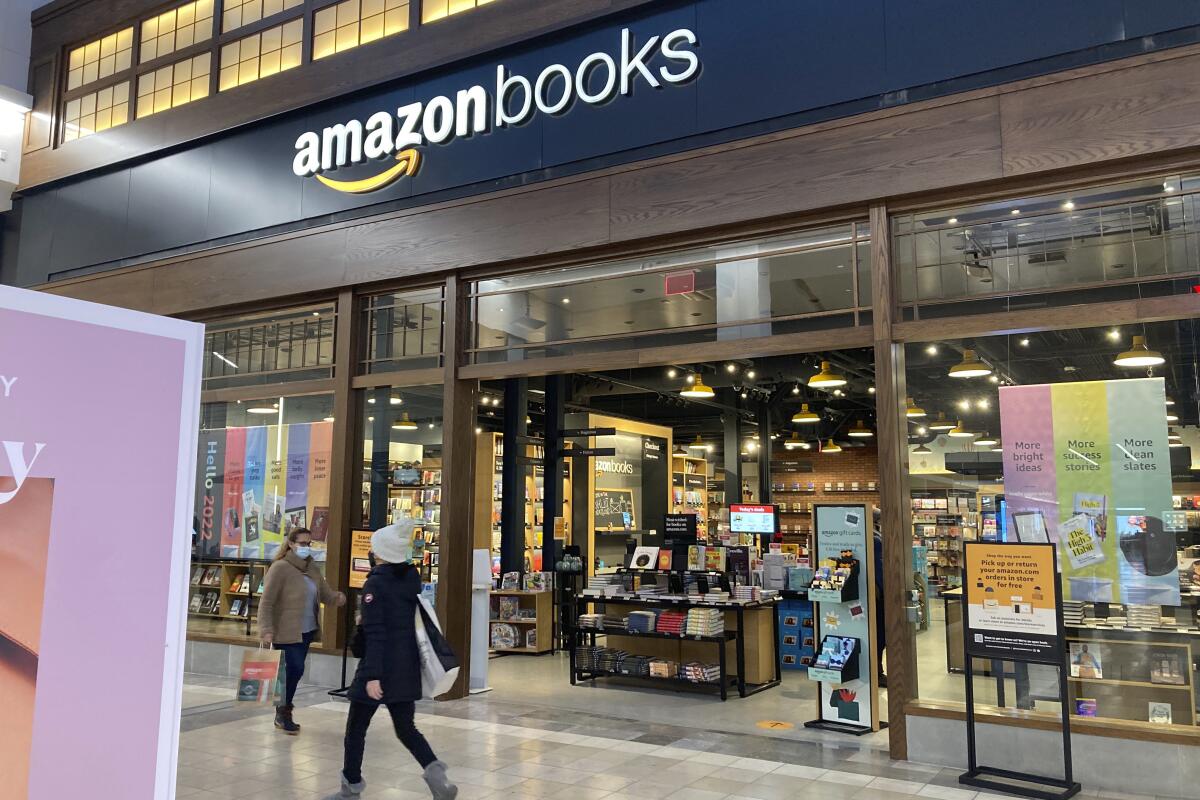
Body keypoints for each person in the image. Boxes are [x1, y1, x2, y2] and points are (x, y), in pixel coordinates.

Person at [326, 520, 457, 800]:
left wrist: (372, 676)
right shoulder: (410, 579)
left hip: (379, 669)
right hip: (406, 667)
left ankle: (350, 788)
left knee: (356, 730)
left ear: (381, 551)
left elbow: (376, 634)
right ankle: (438, 779)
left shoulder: (376, 584)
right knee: (407, 729)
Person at [258, 527, 345, 734]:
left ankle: (283, 709)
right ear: (291, 544)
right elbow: (266, 602)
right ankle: (283, 711)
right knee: (294, 668)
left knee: (294, 672)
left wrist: (337, 598)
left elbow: (323, 593)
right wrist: (266, 629)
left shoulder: (311, 568)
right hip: (286, 631)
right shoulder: (280, 568)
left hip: (307, 630)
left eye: (309, 543)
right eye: (303, 543)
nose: (307, 547)